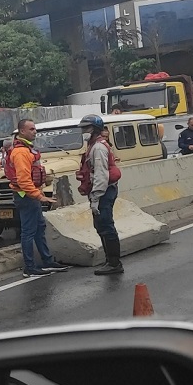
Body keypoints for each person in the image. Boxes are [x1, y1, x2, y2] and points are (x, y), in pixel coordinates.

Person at [9, 119, 69, 277]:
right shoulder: (21, 152)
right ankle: (30, 266)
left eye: (34, 129)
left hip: (31, 195)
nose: (35, 131)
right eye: (31, 129)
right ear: (22, 131)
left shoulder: (27, 150)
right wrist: (38, 196)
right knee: (28, 231)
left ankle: (47, 260)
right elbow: (23, 180)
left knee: (39, 228)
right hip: (26, 196)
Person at [78, 114, 123, 275]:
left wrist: (96, 198)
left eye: (87, 128)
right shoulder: (93, 145)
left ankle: (114, 263)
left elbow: (101, 175)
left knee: (106, 226)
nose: (84, 131)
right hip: (103, 190)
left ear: (95, 129)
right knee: (101, 226)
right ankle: (110, 260)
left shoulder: (98, 148)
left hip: (104, 191)